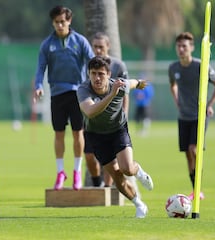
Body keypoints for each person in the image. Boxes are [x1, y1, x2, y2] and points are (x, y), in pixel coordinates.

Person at [77, 56, 154, 218]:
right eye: (93, 74)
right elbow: (90, 112)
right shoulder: (83, 90)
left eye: (101, 74)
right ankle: (139, 205)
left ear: (108, 74)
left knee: (127, 168)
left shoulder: (119, 85)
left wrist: (139, 83)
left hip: (118, 130)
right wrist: (111, 95)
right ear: (88, 74)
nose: (97, 78)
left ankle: (138, 170)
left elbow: (131, 83)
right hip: (96, 136)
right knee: (117, 176)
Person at [33, 6, 94, 190]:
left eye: (63, 21)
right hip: (57, 94)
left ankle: (76, 172)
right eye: (56, 22)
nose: (60, 25)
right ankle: (60, 172)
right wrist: (38, 86)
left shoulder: (80, 41)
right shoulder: (47, 44)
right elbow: (40, 67)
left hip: (78, 94)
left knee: (78, 133)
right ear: (53, 23)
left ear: (69, 21)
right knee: (59, 133)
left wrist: (97, 84)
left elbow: (92, 61)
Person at [168, 32, 215, 200]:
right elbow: (173, 86)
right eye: (178, 46)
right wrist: (177, 101)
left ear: (191, 48)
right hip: (183, 116)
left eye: (184, 46)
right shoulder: (173, 68)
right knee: (187, 153)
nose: (181, 49)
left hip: (199, 116)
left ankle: (199, 186)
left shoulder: (201, 66)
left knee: (194, 149)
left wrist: (210, 105)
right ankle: (196, 190)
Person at [84, 32, 130, 188]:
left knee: (113, 158)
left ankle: (108, 187)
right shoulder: (89, 65)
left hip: (113, 121)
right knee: (89, 155)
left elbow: (125, 92)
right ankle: (97, 183)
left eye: (100, 47)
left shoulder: (118, 66)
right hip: (94, 120)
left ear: (108, 46)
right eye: (95, 46)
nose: (97, 50)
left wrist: (125, 113)